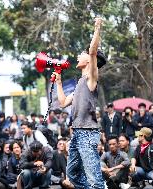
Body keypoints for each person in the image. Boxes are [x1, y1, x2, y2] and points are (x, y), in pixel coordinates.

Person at [54, 17, 106, 188]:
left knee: (95, 179)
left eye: (82, 54)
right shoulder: (80, 83)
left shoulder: (92, 78)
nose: (78, 56)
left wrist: (97, 28)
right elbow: (62, 102)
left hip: (88, 133)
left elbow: (92, 51)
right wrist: (59, 82)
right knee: (73, 175)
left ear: (91, 60)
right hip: (77, 133)